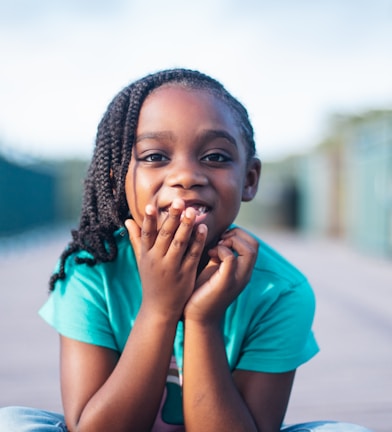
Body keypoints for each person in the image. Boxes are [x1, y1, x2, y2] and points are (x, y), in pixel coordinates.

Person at [0, 69, 373, 432]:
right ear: (117, 178)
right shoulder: (92, 268)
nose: (186, 175)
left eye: (215, 157)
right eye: (154, 157)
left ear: (249, 179)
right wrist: (160, 307)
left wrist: (201, 320)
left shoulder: (280, 290)